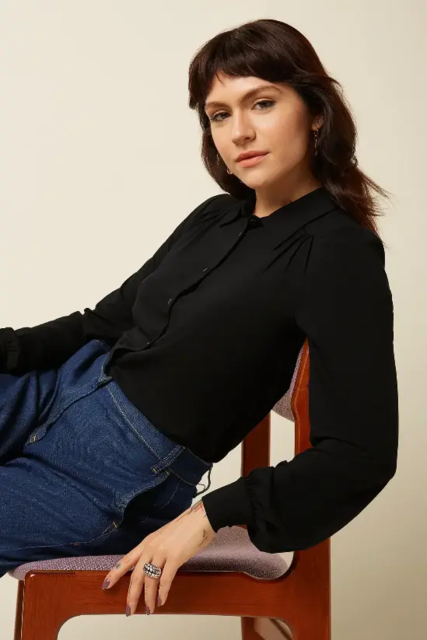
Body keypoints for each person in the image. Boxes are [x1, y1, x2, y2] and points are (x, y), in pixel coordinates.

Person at [0, 18, 398, 616]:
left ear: (316, 112)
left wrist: (209, 515)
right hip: (53, 390)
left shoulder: (339, 253)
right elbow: (101, 324)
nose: (240, 132)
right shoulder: (215, 215)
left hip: (112, 474)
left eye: (262, 103)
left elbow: (361, 453)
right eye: (218, 114)